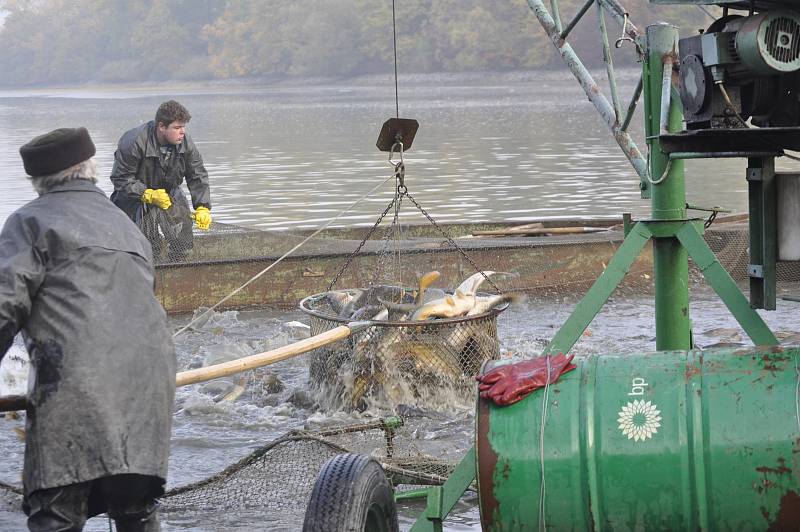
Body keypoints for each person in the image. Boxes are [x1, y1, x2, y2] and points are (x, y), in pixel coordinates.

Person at [0, 127, 176, 532]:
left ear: (38, 181)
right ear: (90, 169)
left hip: (76, 389)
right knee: (136, 511)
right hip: (150, 386)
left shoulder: (28, 221)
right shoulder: (125, 224)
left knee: (56, 514)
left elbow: (6, 304)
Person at [110, 100, 212, 262]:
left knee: (183, 241)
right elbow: (120, 178)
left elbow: (197, 175)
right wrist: (147, 194)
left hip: (170, 192)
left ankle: (176, 268)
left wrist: (202, 206)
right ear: (161, 126)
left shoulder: (185, 142)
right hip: (134, 198)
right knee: (146, 247)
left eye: (183, 127)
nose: (182, 132)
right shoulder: (133, 141)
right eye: (177, 128)